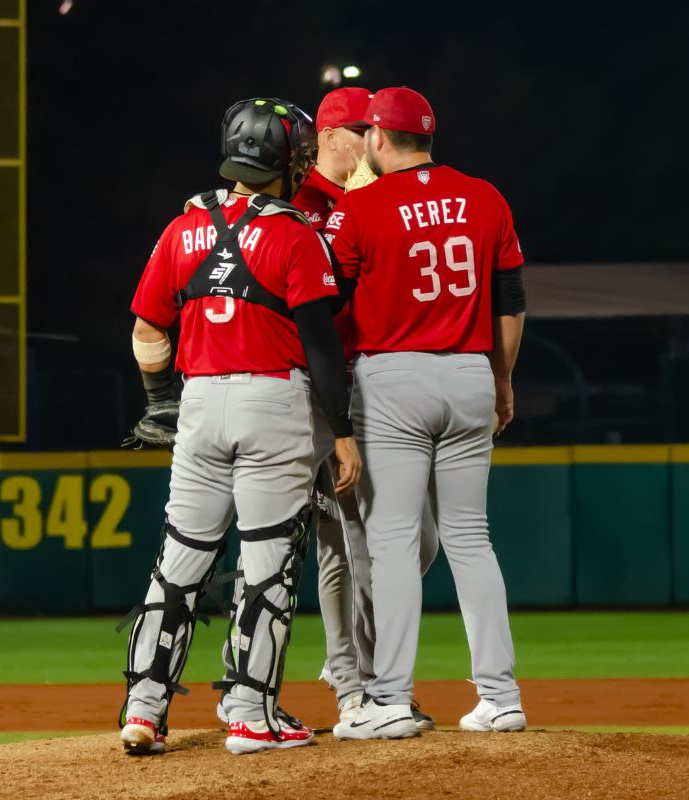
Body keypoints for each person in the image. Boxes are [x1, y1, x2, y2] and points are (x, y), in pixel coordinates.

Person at [118, 97, 361, 757]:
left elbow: (147, 330)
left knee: (178, 563)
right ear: (282, 162)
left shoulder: (182, 228)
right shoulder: (294, 235)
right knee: (266, 568)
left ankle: (143, 710)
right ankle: (250, 714)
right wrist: (341, 430)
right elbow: (322, 348)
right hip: (273, 407)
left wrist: (158, 399)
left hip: (198, 406)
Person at [325, 87, 528, 739]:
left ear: (379, 139)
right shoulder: (485, 196)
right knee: (471, 536)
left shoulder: (363, 207)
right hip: (471, 370)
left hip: (394, 376)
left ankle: (388, 699)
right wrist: (501, 380)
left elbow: (330, 303)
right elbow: (511, 300)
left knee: (391, 539)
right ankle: (500, 696)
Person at [289, 86, 439, 729]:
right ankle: (364, 684)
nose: (372, 136)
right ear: (326, 136)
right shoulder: (296, 206)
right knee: (348, 542)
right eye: (359, 127)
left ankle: (356, 670)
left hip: (379, 386)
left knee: (411, 540)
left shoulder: (377, 201)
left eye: (375, 126)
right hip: (318, 392)